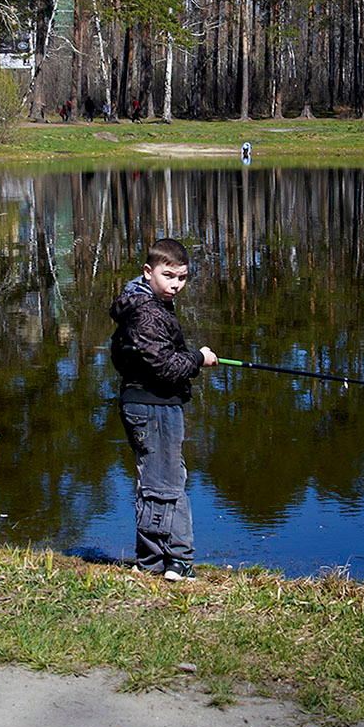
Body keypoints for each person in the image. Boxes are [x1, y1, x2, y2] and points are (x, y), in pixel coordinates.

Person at [109, 238, 216, 580]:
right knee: (167, 484)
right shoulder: (147, 311)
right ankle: (176, 561)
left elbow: (120, 355)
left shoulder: (142, 304)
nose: (175, 285)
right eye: (168, 275)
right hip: (152, 406)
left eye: (182, 278)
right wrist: (198, 358)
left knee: (157, 481)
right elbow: (166, 367)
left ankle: (154, 561)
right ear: (148, 271)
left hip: (146, 403)